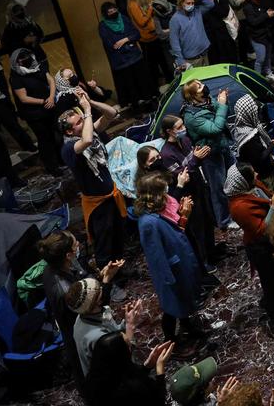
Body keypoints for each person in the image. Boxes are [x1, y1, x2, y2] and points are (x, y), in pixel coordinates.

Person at [38, 230, 124, 383]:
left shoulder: (54, 267)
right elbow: (93, 308)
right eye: (74, 243)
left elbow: (82, 283)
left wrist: (99, 276)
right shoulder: (64, 291)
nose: (78, 243)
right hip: (83, 335)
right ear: (68, 255)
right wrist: (106, 280)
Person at [134, 172, 205, 351]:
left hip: (180, 261)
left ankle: (187, 325)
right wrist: (168, 280)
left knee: (184, 300)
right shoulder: (148, 223)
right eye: (163, 190)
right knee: (172, 307)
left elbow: (177, 230)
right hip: (170, 272)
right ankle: (171, 340)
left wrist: (184, 216)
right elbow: (156, 256)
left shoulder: (160, 209)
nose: (168, 193)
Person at [60, 94, 125, 269]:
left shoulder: (91, 131)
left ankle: (119, 270)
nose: (84, 122)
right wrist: (87, 112)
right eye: (79, 122)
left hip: (110, 194)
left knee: (117, 236)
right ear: (69, 131)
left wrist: (91, 103)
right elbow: (87, 140)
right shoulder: (68, 149)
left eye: (83, 120)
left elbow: (112, 113)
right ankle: (109, 283)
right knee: (104, 244)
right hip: (97, 205)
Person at [225, 163, 274, 329]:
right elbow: (262, 230)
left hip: (272, 241)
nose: (256, 173)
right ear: (243, 182)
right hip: (261, 247)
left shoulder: (253, 185)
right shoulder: (238, 207)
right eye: (252, 173)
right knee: (271, 283)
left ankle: (273, 301)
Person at [154, 115, 218, 269]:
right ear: (169, 131)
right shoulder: (167, 154)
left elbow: (193, 162)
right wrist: (195, 159)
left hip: (199, 187)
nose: (184, 129)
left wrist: (200, 155)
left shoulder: (185, 140)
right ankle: (203, 262)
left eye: (183, 125)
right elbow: (181, 176)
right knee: (198, 229)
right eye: (179, 127)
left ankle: (213, 253)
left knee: (208, 221)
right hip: (187, 195)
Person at [180, 80, 236, 229]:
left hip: (223, 146)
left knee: (234, 177)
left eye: (201, 83)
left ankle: (236, 210)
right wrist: (222, 104)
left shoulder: (207, 100)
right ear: (192, 96)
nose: (203, 86)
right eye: (198, 87)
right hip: (210, 153)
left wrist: (224, 103)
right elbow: (215, 128)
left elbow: (224, 115)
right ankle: (224, 221)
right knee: (219, 188)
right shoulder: (191, 116)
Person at [67, 278, 140, 378]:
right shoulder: (98, 337)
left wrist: (125, 321)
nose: (102, 289)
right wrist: (130, 326)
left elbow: (115, 331)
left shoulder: (83, 316)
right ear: (97, 302)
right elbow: (124, 357)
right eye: (100, 293)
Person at [10, 47, 60, 174]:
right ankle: (51, 167)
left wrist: (51, 97)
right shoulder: (16, 76)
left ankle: (61, 160)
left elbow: (51, 80)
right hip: (34, 113)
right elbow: (23, 98)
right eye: (22, 59)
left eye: (27, 57)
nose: (25, 60)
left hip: (49, 106)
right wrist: (43, 101)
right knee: (45, 139)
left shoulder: (38, 67)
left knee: (56, 135)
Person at [84, 332, 172, 405]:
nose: (131, 348)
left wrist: (147, 366)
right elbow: (158, 400)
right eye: (129, 346)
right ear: (121, 355)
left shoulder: (95, 376)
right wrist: (160, 369)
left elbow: (129, 374)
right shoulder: (131, 389)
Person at [126, 0, 172, 84]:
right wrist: (151, 9)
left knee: (162, 60)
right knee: (152, 64)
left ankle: (169, 79)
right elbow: (142, 21)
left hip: (155, 35)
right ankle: (156, 86)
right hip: (147, 39)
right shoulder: (133, 4)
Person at [169, 0, 215, 71]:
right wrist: (180, 60)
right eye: (188, 3)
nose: (191, 5)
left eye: (193, 3)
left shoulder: (197, 11)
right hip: (191, 60)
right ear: (181, 3)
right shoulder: (175, 19)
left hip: (204, 54)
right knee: (196, 82)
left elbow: (210, 4)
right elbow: (174, 42)